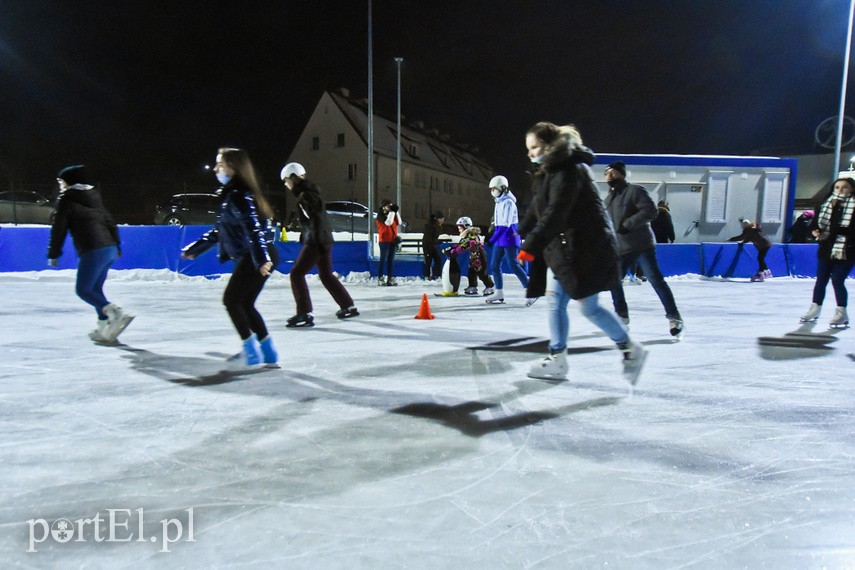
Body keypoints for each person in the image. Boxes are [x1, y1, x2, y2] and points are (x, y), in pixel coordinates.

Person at [517, 122, 647, 384]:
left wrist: (530, 245)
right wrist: (520, 228)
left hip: (585, 249)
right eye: (528, 149)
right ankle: (558, 359)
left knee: (589, 308)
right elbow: (538, 208)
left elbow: (557, 212)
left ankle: (631, 350)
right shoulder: (548, 172)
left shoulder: (571, 170)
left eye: (534, 147)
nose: (530, 154)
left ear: (550, 145)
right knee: (555, 302)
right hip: (564, 249)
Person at [181, 148, 279, 367]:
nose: (216, 169)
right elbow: (220, 231)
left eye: (220, 165)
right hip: (258, 253)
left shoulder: (238, 195)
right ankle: (268, 351)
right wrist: (196, 248)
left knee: (231, 300)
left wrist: (261, 259)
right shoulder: (233, 195)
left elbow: (252, 228)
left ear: (233, 168)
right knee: (245, 303)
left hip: (256, 254)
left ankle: (250, 352)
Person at [47, 165, 134, 343]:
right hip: (108, 248)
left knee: (83, 290)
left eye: (61, 181)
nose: (60, 184)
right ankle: (104, 329)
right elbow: (110, 221)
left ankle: (115, 312)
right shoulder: (94, 196)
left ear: (69, 181)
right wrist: (116, 245)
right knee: (95, 289)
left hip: (93, 248)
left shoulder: (66, 199)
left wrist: (54, 253)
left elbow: (59, 229)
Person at [604, 161, 684, 338]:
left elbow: (651, 211)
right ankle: (621, 317)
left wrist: (628, 224)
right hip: (621, 249)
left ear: (621, 174)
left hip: (641, 246)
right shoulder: (609, 199)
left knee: (656, 280)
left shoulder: (635, 191)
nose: (609, 176)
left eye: (612, 172)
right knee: (613, 282)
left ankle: (674, 317)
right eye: (606, 173)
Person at [280, 162, 359, 327]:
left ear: (293, 178)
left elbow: (315, 219)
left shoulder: (304, 197)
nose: (285, 184)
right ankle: (348, 306)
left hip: (317, 240)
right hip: (323, 239)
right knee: (326, 275)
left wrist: (314, 241)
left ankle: (304, 313)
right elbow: (315, 219)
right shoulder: (309, 193)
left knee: (296, 273)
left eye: (286, 180)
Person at [800, 177, 855, 327]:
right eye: (837, 187)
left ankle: (841, 312)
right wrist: (815, 231)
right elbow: (813, 225)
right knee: (821, 280)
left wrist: (841, 232)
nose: (840, 190)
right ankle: (815, 308)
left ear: (852, 189)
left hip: (847, 250)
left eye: (845, 187)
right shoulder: (825, 205)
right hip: (826, 248)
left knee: (837, 279)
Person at [486, 175, 529, 304]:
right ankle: (498, 291)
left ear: (503, 188)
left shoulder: (509, 203)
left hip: (509, 237)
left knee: (513, 265)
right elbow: (497, 223)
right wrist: (492, 234)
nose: (493, 191)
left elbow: (505, 225)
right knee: (494, 265)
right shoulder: (498, 202)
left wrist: (492, 239)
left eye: (495, 188)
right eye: (491, 189)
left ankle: (530, 289)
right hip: (500, 238)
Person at [376, 198, 402, 285]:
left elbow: (400, 222)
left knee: (391, 261)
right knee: (383, 260)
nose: (390, 208)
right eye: (388, 206)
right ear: (384, 207)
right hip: (384, 241)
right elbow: (388, 222)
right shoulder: (380, 216)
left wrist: (396, 212)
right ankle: (380, 278)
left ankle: (390, 278)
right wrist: (393, 212)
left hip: (393, 241)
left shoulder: (392, 214)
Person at [422, 211, 445, 280]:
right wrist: (433, 245)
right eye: (442, 219)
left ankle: (436, 274)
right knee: (428, 261)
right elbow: (428, 238)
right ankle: (427, 276)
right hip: (428, 246)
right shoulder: (431, 226)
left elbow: (434, 237)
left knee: (438, 259)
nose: (443, 221)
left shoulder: (436, 226)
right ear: (438, 219)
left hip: (433, 246)